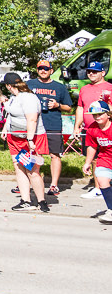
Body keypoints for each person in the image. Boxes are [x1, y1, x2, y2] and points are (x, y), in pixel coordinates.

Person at [2, 71, 50, 212]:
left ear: (9, 86)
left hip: (31, 137)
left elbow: (32, 119)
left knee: (32, 170)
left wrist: (30, 139)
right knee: (19, 167)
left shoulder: (28, 98)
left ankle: (41, 201)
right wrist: (6, 128)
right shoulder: (13, 98)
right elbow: (10, 115)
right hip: (15, 136)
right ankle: (26, 200)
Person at [26, 59, 72, 197]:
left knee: (54, 155)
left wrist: (57, 105)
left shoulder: (60, 87)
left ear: (51, 70)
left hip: (53, 124)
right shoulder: (29, 84)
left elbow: (69, 107)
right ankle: (29, 182)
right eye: (40, 68)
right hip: (34, 125)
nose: (43, 71)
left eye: (46, 69)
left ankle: (54, 185)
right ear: (37, 70)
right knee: (32, 154)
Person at [74, 58, 112, 196]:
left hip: (107, 129)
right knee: (94, 157)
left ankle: (105, 186)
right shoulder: (84, 89)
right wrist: (76, 126)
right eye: (89, 71)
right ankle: (98, 188)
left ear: (103, 72)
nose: (91, 74)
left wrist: (107, 102)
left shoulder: (109, 87)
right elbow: (80, 108)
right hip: (90, 129)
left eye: (95, 72)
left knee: (106, 156)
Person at [80, 100, 112, 223]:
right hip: (105, 158)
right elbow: (92, 147)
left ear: (108, 114)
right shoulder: (92, 129)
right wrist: (87, 163)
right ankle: (111, 210)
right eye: (94, 115)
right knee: (102, 180)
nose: (97, 117)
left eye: (100, 114)